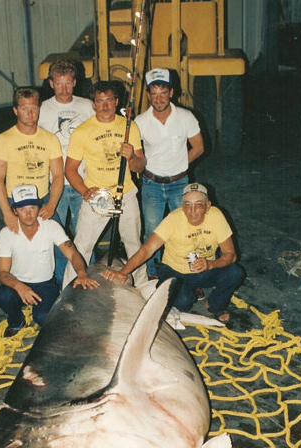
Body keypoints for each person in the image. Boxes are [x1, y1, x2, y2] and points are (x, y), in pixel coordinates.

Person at [103, 183, 244, 324]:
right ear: (182, 206)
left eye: (198, 204)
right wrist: (123, 272)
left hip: (204, 269)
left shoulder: (216, 216)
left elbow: (230, 254)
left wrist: (210, 264)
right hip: (174, 271)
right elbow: (147, 249)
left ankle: (215, 305)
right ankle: (173, 289)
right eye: (187, 205)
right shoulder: (173, 219)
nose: (192, 210)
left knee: (235, 273)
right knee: (183, 302)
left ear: (208, 206)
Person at [62, 80, 147, 287]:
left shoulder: (130, 126)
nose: (105, 106)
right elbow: (70, 170)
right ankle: (67, 291)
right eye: (100, 101)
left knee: (134, 244)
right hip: (98, 197)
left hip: (125, 193)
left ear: (117, 101)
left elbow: (140, 166)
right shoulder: (82, 131)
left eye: (109, 100)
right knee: (81, 246)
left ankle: (144, 289)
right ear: (93, 104)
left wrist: (131, 158)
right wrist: (85, 191)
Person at [0, 184, 99, 336]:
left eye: (32, 208)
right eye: (23, 210)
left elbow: (72, 254)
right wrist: (19, 286)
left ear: (39, 207)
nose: (29, 214)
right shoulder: (6, 233)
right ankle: (16, 321)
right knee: (3, 296)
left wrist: (82, 273)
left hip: (45, 283)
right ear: (15, 211)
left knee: (43, 318)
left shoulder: (51, 226)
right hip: (18, 281)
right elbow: (2, 272)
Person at [135, 68, 204, 278]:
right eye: (154, 93)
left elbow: (199, 147)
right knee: (153, 231)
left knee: (187, 230)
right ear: (148, 95)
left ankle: (191, 274)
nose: (159, 99)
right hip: (151, 185)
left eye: (163, 92)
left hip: (180, 184)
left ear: (171, 92)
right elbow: (138, 160)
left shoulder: (186, 117)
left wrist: (179, 166)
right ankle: (153, 274)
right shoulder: (139, 122)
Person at [0, 87, 64, 234]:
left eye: (34, 108)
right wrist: (7, 213)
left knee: (60, 247)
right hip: (16, 202)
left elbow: (58, 175)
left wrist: (51, 205)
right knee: (20, 248)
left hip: (43, 199)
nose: (31, 114)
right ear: (16, 111)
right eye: (24, 109)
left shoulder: (50, 139)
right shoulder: (3, 140)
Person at [38, 59, 94, 236]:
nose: (64, 89)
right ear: (51, 83)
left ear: (75, 83)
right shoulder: (42, 109)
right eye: (59, 84)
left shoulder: (87, 106)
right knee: (55, 233)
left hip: (84, 181)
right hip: (54, 183)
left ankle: (87, 264)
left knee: (85, 233)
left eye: (68, 83)